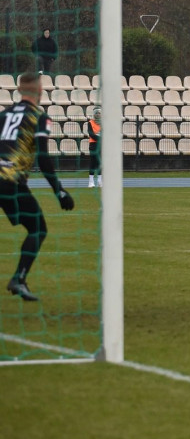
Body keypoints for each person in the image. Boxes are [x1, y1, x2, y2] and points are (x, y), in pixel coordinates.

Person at [1, 72, 76, 301]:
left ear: (20, 90)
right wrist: (59, 191)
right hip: (11, 181)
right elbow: (43, 158)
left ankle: (20, 280)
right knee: (38, 228)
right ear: (39, 91)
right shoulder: (39, 117)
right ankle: (19, 279)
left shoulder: (3, 115)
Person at [87, 107, 102, 188]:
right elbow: (91, 134)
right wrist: (100, 138)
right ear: (94, 114)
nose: (98, 114)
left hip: (101, 145)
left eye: (99, 113)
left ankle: (100, 181)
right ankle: (91, 182)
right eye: (96, 113)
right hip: (93, 144)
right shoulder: (90, 123)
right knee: (93, 163)